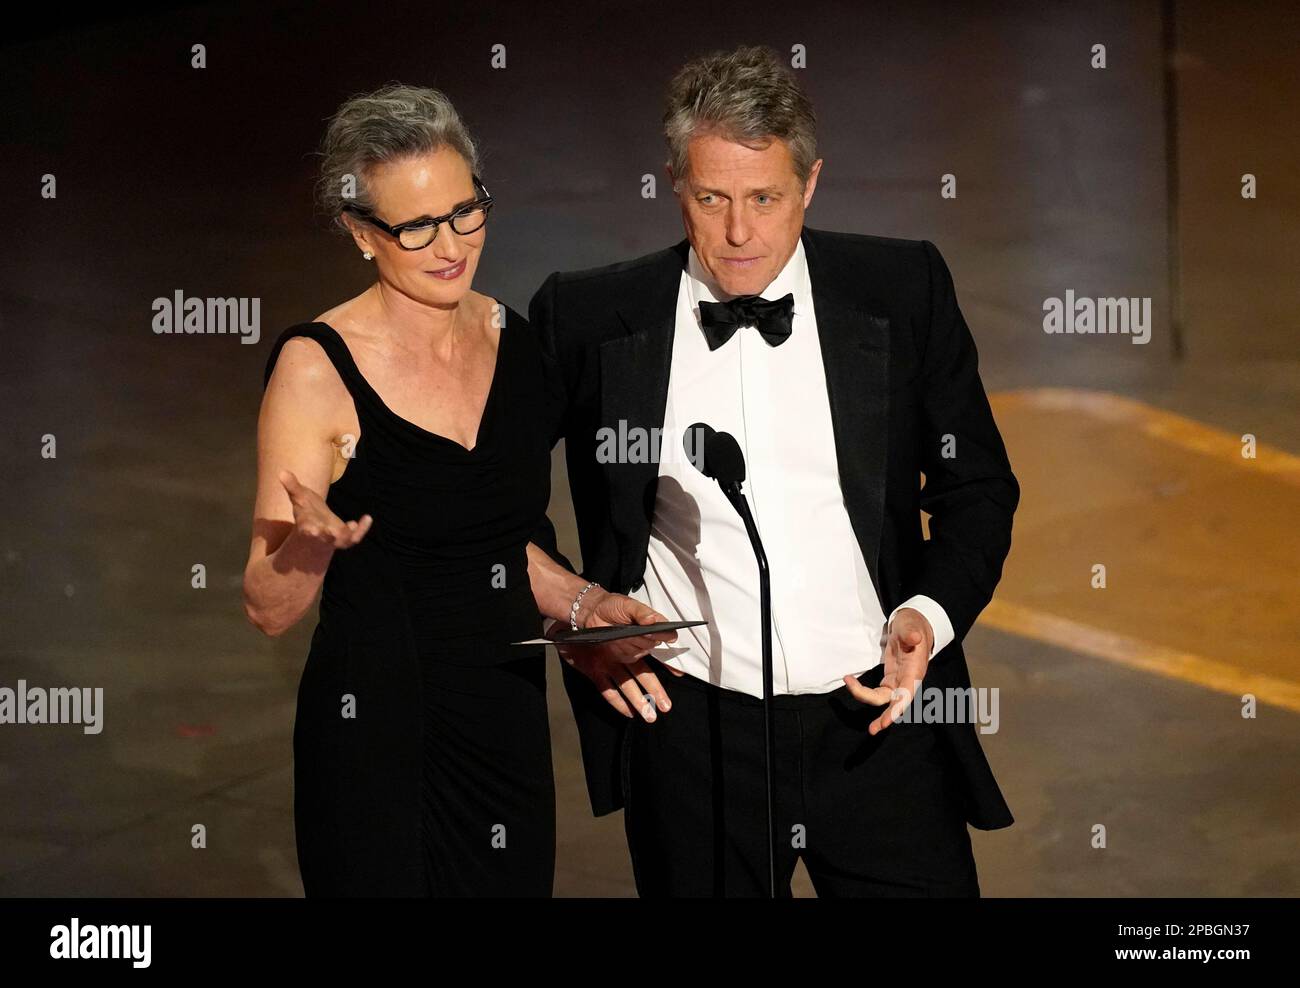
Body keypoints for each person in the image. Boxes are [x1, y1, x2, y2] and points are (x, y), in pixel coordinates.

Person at [529, 45, 1020, 896]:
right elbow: (487, 499)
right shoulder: (587, 316)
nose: (739, 232)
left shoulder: (902, 290)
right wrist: (577, 616)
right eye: (711, 198)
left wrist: (927, 617)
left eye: (766, 198)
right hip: (690, 735)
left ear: (812, 183)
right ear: (675, 185)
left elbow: (977, 490)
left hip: (879, 720)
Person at [242, 83, 670, 897]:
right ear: (361, 234)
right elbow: (267, 607)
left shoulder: (516, 341)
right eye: (416, 227)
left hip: (502, 721)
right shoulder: (316, 369)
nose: (451, 244)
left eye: (466, 211)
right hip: (376, 733)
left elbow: (498, 543)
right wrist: (311, 542)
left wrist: (584, 607)